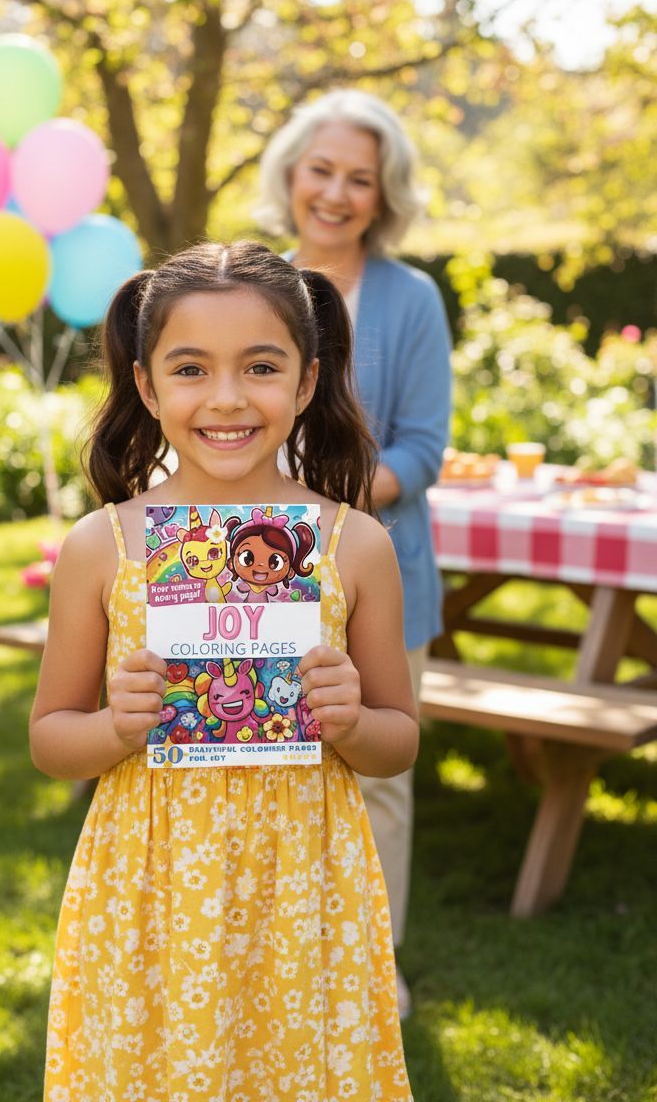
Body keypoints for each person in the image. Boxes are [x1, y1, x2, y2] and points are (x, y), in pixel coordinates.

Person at [30, 241, 419, 1101]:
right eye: (191, 368)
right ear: (146, 386)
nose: (228, 398)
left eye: (262, 366)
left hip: (304, 888)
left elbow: (399, 743)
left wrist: (353, 721)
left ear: (308, 382)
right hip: (151, 889)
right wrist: (112, 725)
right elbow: (52, 739)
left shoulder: (355, 544)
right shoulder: (106, 546)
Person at [257, 89, 453, 1017]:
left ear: (385, 197)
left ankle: (373, 961)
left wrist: (324, 514)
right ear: (292, 175)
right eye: (321, 170)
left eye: (359, 180)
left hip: (379, 572)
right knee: (267, 769)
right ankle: (282, 952)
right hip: (253, 576)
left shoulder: (411, 299)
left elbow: (420, 448)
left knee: (377, 776)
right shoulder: (251, 282)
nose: (335, 193)